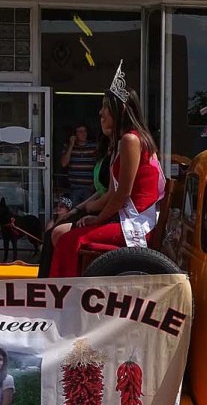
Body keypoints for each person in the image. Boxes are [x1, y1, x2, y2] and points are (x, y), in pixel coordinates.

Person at [46, 63, 166, 278]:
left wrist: (97, 218)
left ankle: (67, 291)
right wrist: (85, 209)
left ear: (120, 110)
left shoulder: (131, 140)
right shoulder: (122, 142)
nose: (100, 112)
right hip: (124, 217)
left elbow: (123, 194)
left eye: (106, 107)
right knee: (58, 230)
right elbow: (112, 191)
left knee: (67, 238)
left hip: (136, 224)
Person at [61, 124, 98, 206]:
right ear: (75, 134)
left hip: (90, 187)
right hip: (74, 188)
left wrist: (95, 185)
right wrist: (71, 145)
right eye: (80, 132)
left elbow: (98, 165)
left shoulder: (94, 147)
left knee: (88, 210)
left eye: (85, 131)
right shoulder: (68, 146)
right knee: (74, 210)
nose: (83, 134)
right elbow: (64, 163)